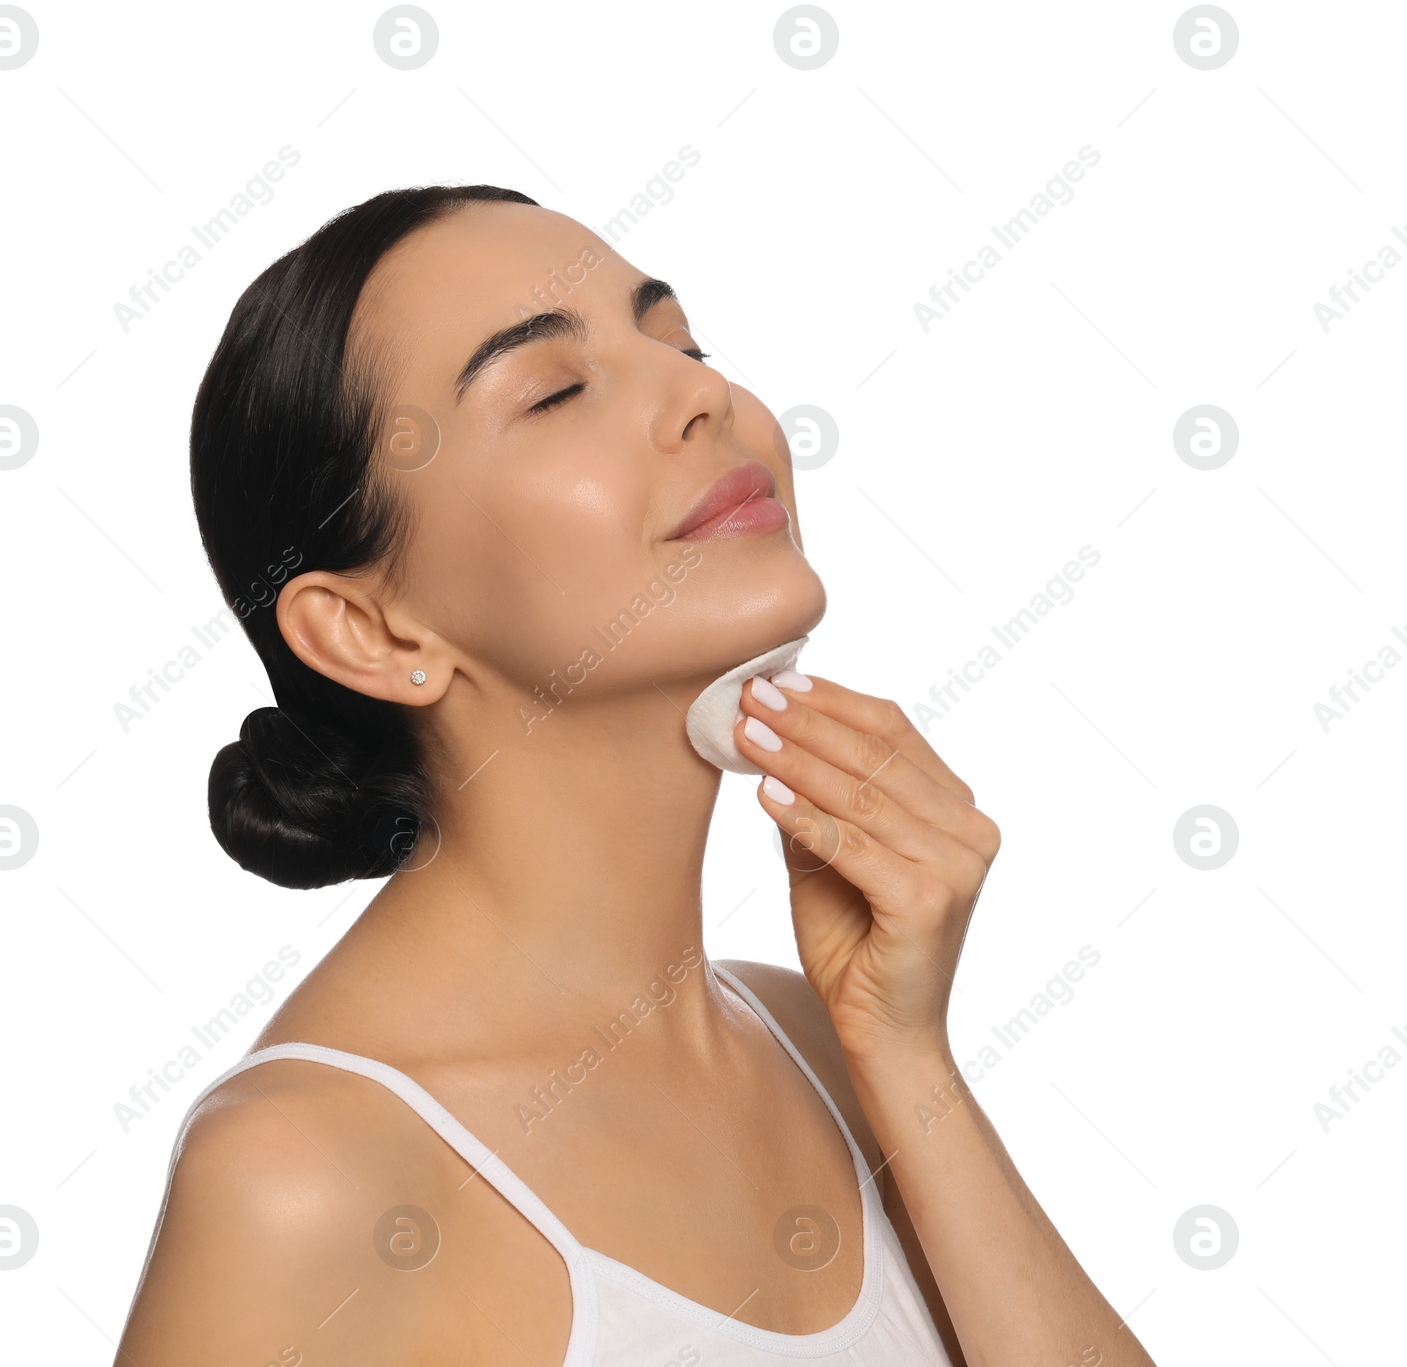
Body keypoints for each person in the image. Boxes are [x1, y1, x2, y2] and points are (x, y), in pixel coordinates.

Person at [114, 184, 1157, 1367]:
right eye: (554, 390)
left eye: (682, 342)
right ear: (376, 633)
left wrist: (908, 1056)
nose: (703, 392)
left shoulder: (822, 1040)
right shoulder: (301, 1177)